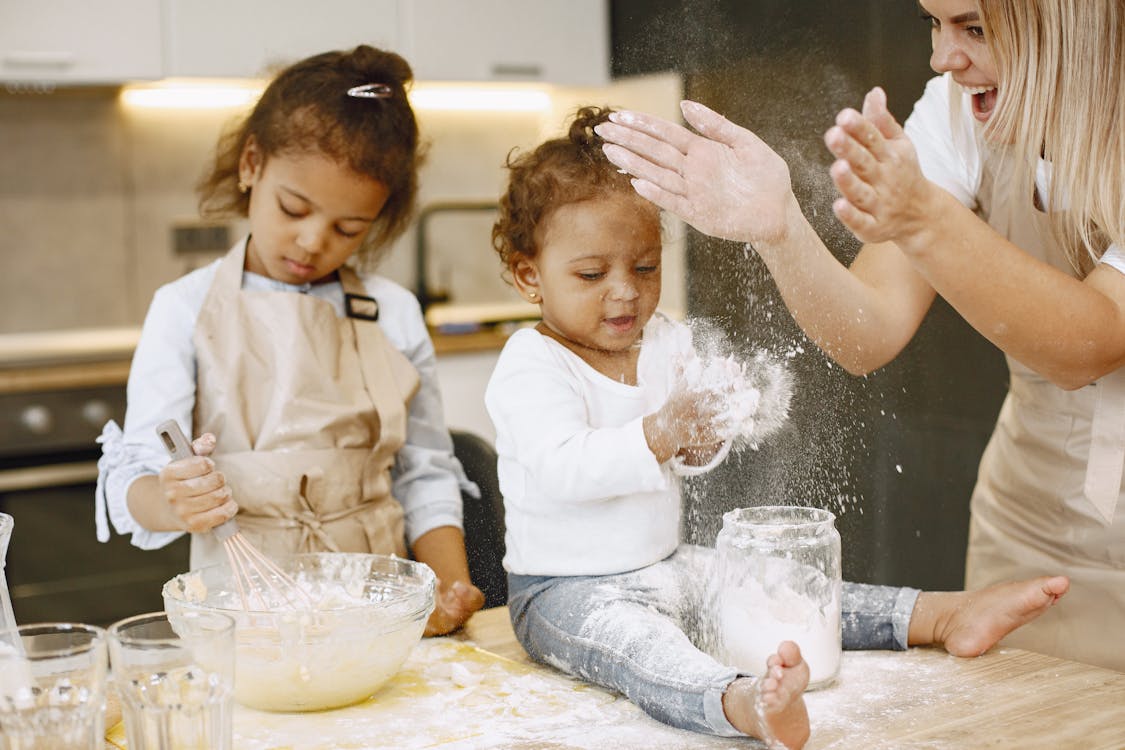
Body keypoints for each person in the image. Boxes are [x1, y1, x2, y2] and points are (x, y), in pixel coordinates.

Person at [484, 105, 1071, 747]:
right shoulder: (531, 364)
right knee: (642, 652)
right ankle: (739, 703)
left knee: (779, 586)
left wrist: (703, 439)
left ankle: (939, 614)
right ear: (528, 276)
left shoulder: (664, 341)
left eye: (645, 268)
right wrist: (659, 433)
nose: (624, 292)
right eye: (592, 275)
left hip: (668, 565)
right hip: (563, 593)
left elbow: (683, 458)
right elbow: (562, 467)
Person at [593, 0, 1125, 673]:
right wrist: (779, 226)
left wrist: (924, 219)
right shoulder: (958, 112)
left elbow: (1092, 344)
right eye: (933, 24)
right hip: (1029, 515)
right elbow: (867, 328)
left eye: (974, 28)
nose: (942, 57)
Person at [95, 45, 484, 636]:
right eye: (293, 208)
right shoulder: (184, 309)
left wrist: (449, 590)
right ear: (252, 164)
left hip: (376, 617)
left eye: (347, 229)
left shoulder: (394, 313)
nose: (311, 242)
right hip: (241, 618)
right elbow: (138, 482)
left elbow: (424, 473)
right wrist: (176, 499)